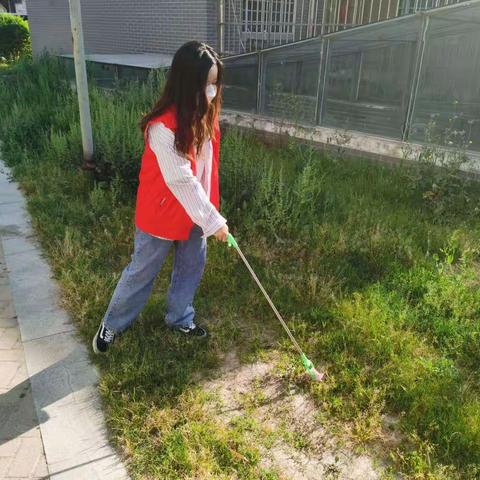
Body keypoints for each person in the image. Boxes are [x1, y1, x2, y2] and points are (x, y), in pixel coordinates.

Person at [92, 41, 229, 354]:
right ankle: (112, 324)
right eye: (205, 84)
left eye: (215, 83)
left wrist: (207, 210)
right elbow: (181, 179)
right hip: (162, 212)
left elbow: (205, 169)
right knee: (143, 270)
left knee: (192, 265)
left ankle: (180, 317)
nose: (211, 91)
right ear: (186, 83)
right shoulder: (162, 128)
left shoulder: (205, 117)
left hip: (195, 211)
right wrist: (212, 219)